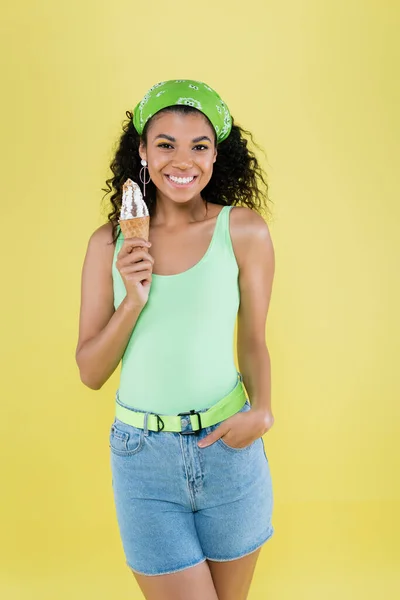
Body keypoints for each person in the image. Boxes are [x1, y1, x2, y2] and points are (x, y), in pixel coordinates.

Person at [76, 79, 275, 600]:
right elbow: (91, 372)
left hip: (229, 449)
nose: (181, 160)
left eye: (199, 146)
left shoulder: (244, 231)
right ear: (142, 150)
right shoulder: (108, 245)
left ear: (215, 156)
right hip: (143, 459)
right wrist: (134, 298)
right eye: (165, 144)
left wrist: (264, 411)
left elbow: (253, 339)